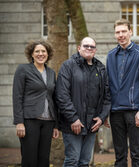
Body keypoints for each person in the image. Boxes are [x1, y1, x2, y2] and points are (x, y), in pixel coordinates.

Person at [56, 37, 111, 167]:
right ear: (79, 48)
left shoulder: (100, 68)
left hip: (92, 124)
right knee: (72, 160)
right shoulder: (68, 66)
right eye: (86, 46)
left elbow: (107, 97)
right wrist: (73, 118)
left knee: (85, 162)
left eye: (92, 47)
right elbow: (62, 95)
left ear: (95, 50)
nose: (89, 49)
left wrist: (102, 118)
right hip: (73, 124)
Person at [106, 19, 139, 167]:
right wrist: (105, 112)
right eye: (117, 32)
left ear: (130, 32)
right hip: (115, 112)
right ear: (114, 35)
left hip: (134, 111)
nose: (121, 35)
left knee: (137, 154)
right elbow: (108, 85)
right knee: (119, 156)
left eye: (124, 31)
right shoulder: (111, 55)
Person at [12, 39, 59, 167]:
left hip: (48, 121)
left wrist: (56, 125)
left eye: (43, 51)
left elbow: (54, 99)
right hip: (29, 120)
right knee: (29, 159)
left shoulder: (51, 73)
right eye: (37, 51)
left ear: (48, 54)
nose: (40, 54)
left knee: (44, 159)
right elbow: (17, 97)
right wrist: (19, 122)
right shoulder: (23, 69)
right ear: (31, 54)